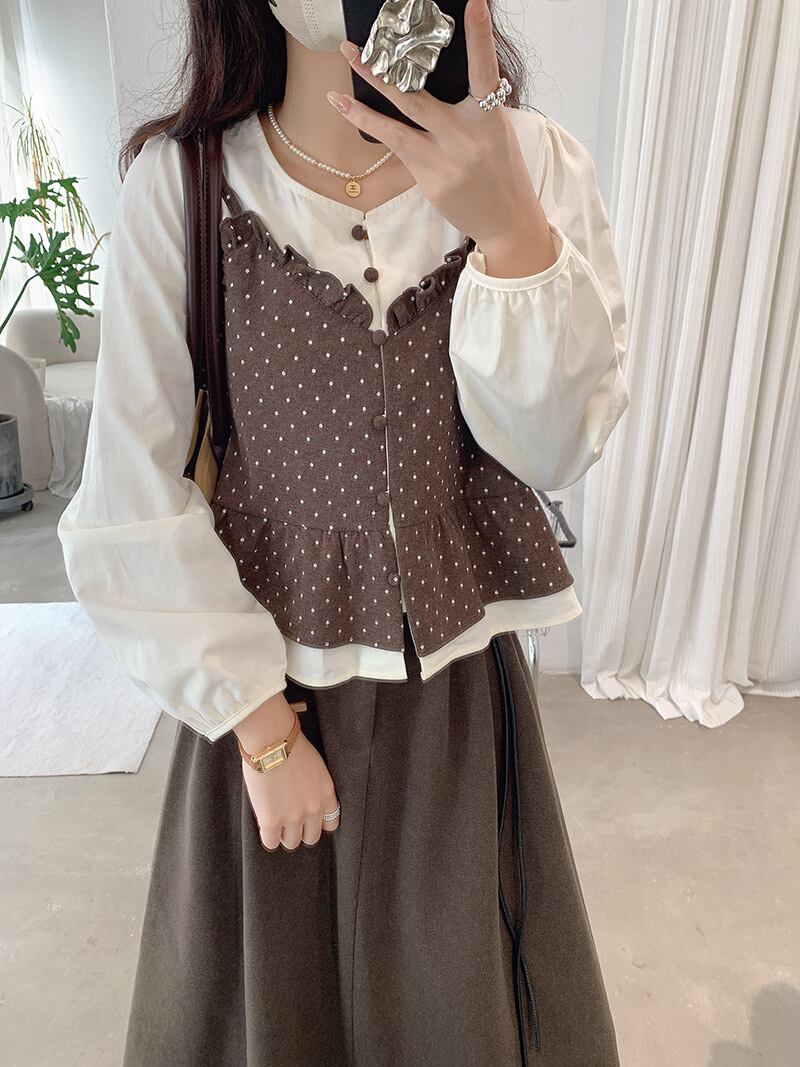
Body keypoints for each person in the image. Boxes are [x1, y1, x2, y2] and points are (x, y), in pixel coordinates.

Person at [58, 0, 630, 1063]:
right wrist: (259, 727)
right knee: (273, 1012)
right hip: (270, 697)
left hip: (454, 694)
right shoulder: (184, 185)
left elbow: (554, 448)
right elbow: (128, 495)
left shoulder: (529, 161)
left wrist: (509, 230)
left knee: (457, 1004)